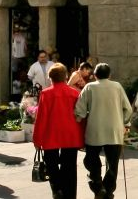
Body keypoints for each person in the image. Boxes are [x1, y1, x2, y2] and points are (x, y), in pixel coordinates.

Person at [75, 63, 132, 199]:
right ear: (109, 75)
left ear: (94, 75)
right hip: (114, 130)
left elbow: (80, 110)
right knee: (112, 163)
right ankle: (108, 190)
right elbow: (128, 108)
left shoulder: (89, 87)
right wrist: (126, 123)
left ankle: (97, 185)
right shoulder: (117, 86)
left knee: (91, 160)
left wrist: (78, 118)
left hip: (95, 130)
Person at [33, 63, 83, 199]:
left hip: (51, 135)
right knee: (70, 167)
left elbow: (41, 118)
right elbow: (80, 116)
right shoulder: (74, 93)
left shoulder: (46, 93)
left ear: (50, 78)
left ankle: (57, 189)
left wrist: (37, 139)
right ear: (66, 77)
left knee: (51, 164)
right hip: (71, 135)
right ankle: (70, 194)